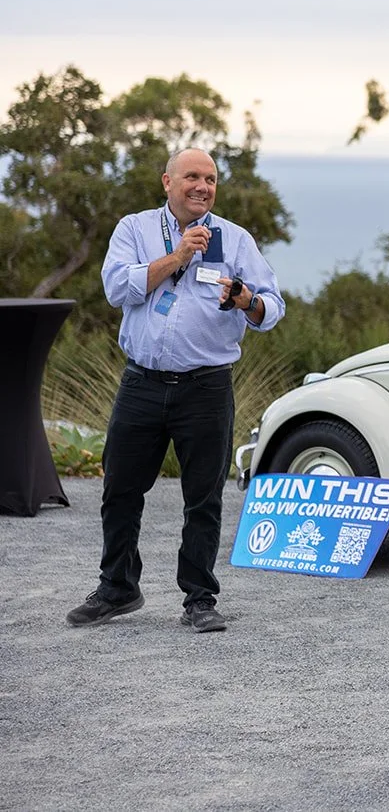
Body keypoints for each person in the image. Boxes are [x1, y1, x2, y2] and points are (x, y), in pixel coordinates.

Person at [66, 148, 284, 633]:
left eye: (209, 179)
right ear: (168, 182)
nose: (202, 186)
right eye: (191, 177)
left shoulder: (237, 239)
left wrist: (247, 300)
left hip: (206, 388)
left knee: (203, 498)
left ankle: (200, 600)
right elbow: (117, 289)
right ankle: (118, 588)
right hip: (142, 382)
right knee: (120, 489)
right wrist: (179, 255)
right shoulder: (135, 229)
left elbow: (273, 307)